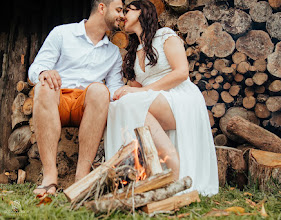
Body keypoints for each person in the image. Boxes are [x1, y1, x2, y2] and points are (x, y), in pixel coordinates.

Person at [104, 0, 219, 196]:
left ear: (142, 12)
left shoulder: (165, 35)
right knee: (117, 106)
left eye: (127, 11)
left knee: (131, 102)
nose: (123, 16)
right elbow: (136, 89)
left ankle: (173, 165)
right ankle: (129, 175)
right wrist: (123, 91)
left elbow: (182, 72)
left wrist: (142, 92)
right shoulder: (135, 51)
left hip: (180, 96)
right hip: (154, 99)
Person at [28, 0, 125, 195]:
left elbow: (114, 90)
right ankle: (50, 177)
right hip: (57, 100)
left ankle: (82, 178)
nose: (122, 15)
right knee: (44, 86)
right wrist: (44, 72)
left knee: (100, 90)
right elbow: (35, 69)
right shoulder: (62, 33)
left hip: (87, 107)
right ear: (101, 8)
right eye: (119, 10)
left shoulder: (114, 52)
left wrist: (130, 93)